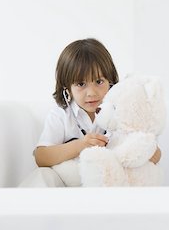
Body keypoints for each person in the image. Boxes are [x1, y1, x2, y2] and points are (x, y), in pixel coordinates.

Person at [20, 38, 161, 187]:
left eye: (99, 82)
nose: (91, 93)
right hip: (71, 186)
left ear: (111, 81)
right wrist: (80, 145)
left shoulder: (122, 111)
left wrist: (130, 150)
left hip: (110, 184)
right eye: (81, 84)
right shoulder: (61, 115)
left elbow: (156, 155)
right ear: (67, 88)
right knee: (43, 175)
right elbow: (41, 157)